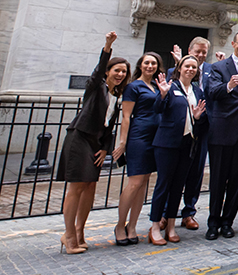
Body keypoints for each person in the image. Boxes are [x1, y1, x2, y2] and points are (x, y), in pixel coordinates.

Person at [58, 32, 128, 254]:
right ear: (108, 71)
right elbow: (97, 72)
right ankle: (68, 235)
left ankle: (79, 231)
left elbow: (109, 127)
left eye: (124, 72)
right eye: (116, 70)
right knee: (76, 186)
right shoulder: (95, 88)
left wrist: (105, 148)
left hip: (96, 145)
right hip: (79, 139)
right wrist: (107, 46)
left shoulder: (116, 97)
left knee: (90, 187)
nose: (120, 74)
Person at [204, 31, 238, 239]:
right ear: (233, 44)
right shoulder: (218, 67)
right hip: (223, 131)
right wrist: (229, 86)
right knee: (218, 179)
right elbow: (212, 93)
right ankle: (213, 222)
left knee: (237, 180)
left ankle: (228, 221)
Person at [147, 56, 208, 245]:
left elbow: (201, 119)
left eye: (194, 67)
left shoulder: (198, 91)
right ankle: (156, 226)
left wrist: (197, 117)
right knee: (163, 185)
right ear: (179, 68)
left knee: (177, 187)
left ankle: (171, 226)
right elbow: (157, 109)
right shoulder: (170, 87)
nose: (190, 69)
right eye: (187, 66)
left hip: (187, 145)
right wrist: (163, 94)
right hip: (167, 144)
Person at [114, 52, 164, 245]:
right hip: (139, 137)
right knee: (134, 182)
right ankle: (120, 225)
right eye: (147, 63)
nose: (150, 66)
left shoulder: (158, 86)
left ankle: (132, 225)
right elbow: (126, 116)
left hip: (156, 137)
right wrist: (123, 142)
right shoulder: (133, 87)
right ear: (141, 65)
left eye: (154, 63)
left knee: (144, 182)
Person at [173, 37, 220, 231]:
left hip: (203, 128)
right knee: (174, 173)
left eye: (203, 52)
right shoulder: (174, 71)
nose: (200, 55)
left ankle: (189, 212)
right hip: (180, 131)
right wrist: (179, 65)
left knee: (196, 173)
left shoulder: (212, 70)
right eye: (197, 51)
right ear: (189, 50)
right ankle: (167, 212)